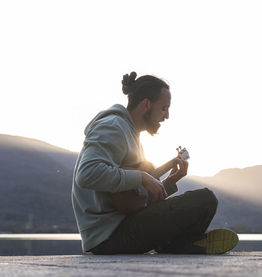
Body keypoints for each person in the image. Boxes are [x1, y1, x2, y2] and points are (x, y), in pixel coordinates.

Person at [71, 71, 238, 254]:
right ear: (146, 104)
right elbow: (87, 174)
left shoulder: (130, 134)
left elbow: (133, 201)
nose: (166, 116)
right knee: (204, 199)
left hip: (119, 229)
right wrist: (143, 177)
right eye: (164, 108)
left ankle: (177, 243)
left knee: (205, 201)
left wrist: (169, 183)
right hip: (109, 236)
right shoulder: (113, 126)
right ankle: (178, 244)